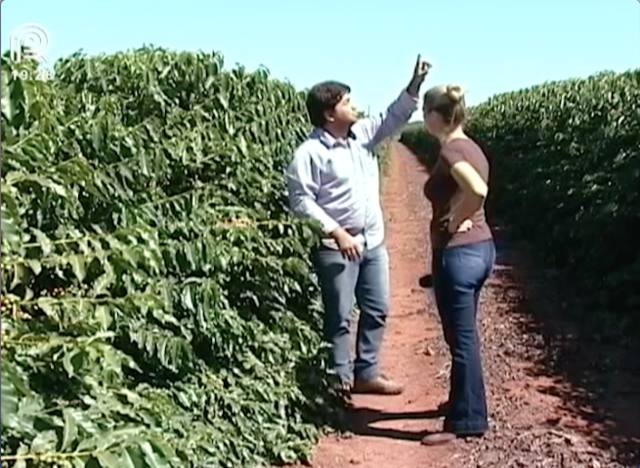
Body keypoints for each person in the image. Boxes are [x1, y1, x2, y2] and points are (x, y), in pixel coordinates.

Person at [286, 56, 431, 397]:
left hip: (372, 242)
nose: (355, 107)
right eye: (347, 102)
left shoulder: (362, 136)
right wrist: (337, 233)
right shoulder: (309, 154)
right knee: (338, 317)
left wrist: (415, 85)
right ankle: (338, 383)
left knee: (377, 307)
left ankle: (367, 372)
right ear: (329, 113)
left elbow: (394, 116)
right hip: (337, 246)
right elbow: (302, 202)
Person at [420, 84, 496, 445]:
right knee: (460, 335)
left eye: (425, 112)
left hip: (460, 254)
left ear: (436, 116)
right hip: (481, 249)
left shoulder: (452, 151)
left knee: (462, 340)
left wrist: (454, 220)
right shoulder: (472, 145)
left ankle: (468, 420)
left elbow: (478, 190)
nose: (423, 119)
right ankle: (460, 402)